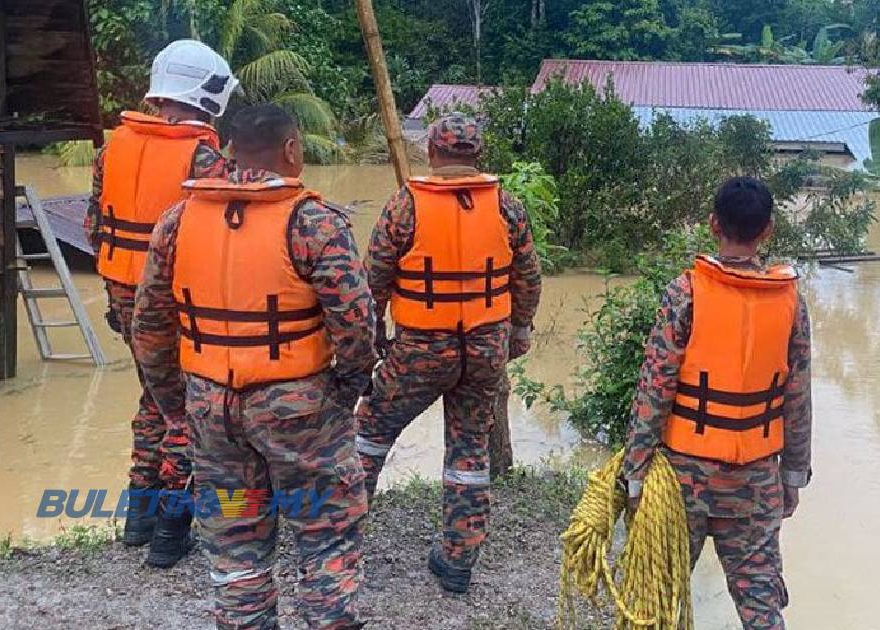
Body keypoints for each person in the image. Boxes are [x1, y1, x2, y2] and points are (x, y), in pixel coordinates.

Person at [133, 104, 375, 629]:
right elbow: (356, 326)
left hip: (209, 404)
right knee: (325, 530)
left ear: (227, 150)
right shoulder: (315, 222)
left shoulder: (177, 221)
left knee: (236, 541)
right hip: (301, 405)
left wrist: (179, 403)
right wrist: (345, 390)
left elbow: (149, 325)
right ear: (291, 149)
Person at [355, 112, 542, 594]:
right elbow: (528, 279)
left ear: (433, 153)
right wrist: (518, 330)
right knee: (469, 450)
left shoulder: (404, 206)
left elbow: (370, 283)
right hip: (484, 349)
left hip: (419, 349)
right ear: (478, 155)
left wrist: (370, 342)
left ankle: (341, 538)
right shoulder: (507, 207)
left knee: (370, 433)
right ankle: (459, 557)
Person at [621, 177, 813, 630]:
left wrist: (634, 471)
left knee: (657, 602)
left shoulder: (685, 293)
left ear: (712, 224)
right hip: (758, 482)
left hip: (683, 480)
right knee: (762, 607)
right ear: (767, 230)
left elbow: (655, 387)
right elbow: (798, 397)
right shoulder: (790, 302)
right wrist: (793, 475)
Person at [83, 39, 239, 566]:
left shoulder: (113, 146)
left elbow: (92, 227)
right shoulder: (202, 156)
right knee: (185, 412)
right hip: (177, 306)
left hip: (123, 298)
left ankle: (138, 518)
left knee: (155, 399)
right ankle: (172, 530)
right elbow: (224, 241)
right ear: (206, 93)